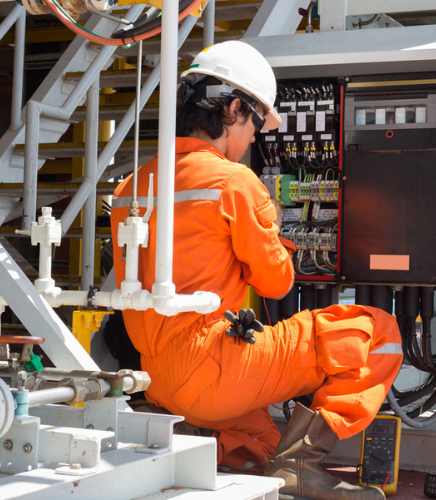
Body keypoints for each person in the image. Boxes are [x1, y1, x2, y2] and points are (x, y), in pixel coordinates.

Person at [111, 40, 403, 500]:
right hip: (214, 371)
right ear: (232, 109)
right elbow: (276, 282)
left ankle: (193, 438)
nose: (254, 139)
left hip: (159, 380)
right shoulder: (233, 181)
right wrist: (277, 233)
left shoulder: (131, 185)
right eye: (255, 123)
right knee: (378, 333)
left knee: (264, 448)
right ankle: (304, 461)